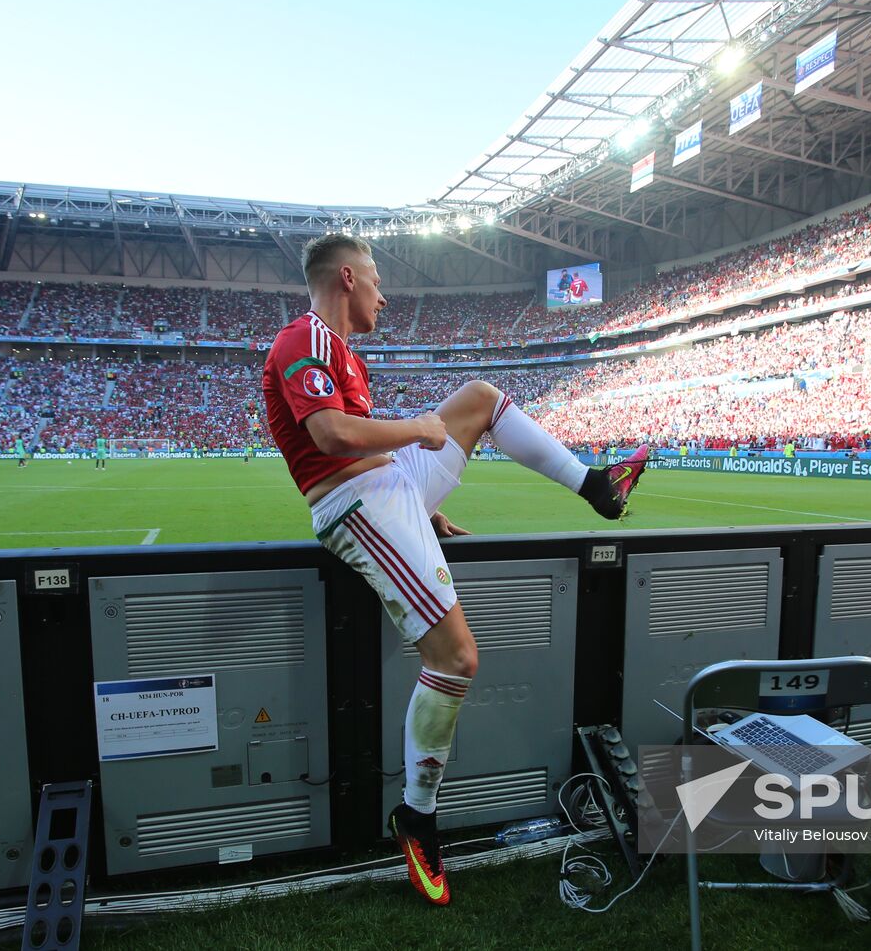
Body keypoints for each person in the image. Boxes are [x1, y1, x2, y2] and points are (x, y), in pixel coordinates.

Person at [261, 234, 650, 907]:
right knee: (456, 659)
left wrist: (425, 502)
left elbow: (358, 442)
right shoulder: (308, 339)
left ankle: (595, 486)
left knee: (478, 398)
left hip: (389, 486)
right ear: (347, 278)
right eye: (377, 282)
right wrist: (415, 430)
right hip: (358, 503)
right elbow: (331, 436)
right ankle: (417, 815)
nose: (385, 296)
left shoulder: (341, 352)